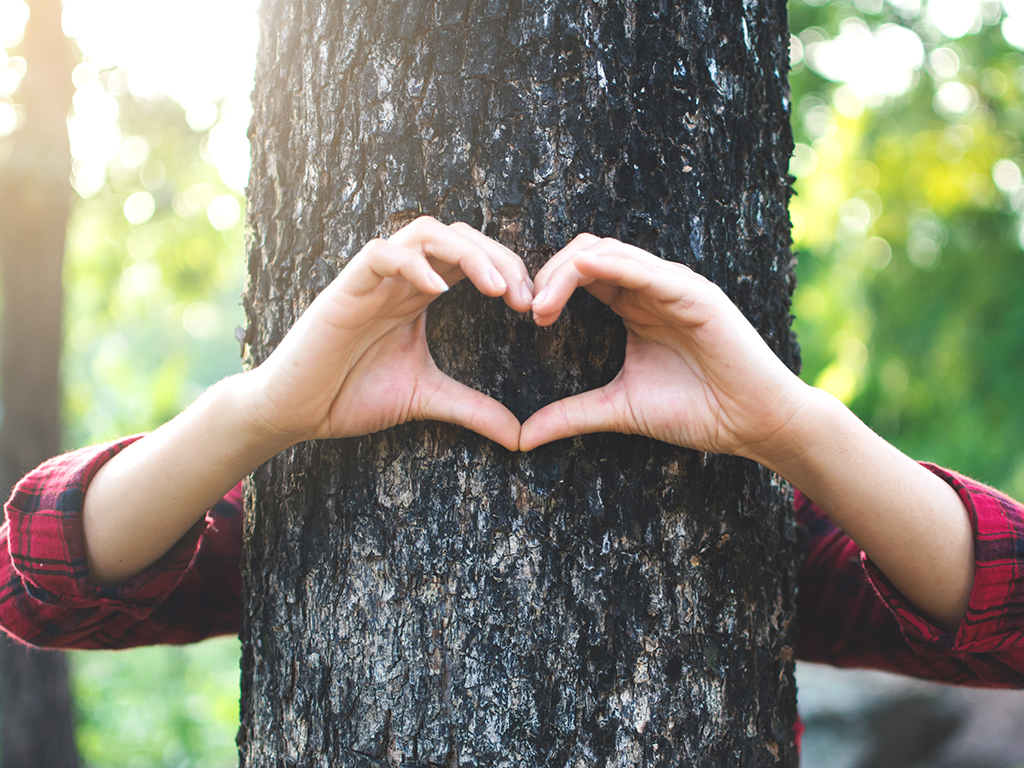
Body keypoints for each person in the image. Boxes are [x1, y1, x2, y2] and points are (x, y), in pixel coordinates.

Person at [1, 217, 1022, 687]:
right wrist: (263, 410)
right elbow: (36, 581)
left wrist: (790, 426)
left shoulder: (746, 535)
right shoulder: (318, 518)